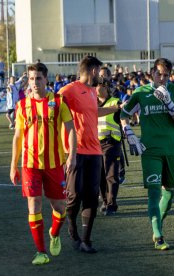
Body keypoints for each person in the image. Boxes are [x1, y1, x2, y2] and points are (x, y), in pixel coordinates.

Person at [10, 63, 77, 265]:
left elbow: (71, 129)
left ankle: (54, 233)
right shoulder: (22, 105)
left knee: (60, 206)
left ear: (46, 79)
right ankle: (41, 252)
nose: (35, 82)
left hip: (55, 163)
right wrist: (13, 165)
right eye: (31, 78)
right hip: (30, 164)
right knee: (34, 203)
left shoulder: (58, 101)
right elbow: (18, 136)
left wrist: (72, 155)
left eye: (38, 78)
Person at [120, 58, 174, 250]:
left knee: (169, 193)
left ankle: (157, 224)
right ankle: (158, 236)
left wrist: (169, 104)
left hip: (172, 149)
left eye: (166, 75)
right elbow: (123, 115)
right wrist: (129, 132)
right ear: (152, 74)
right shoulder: (141, 93)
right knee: (153, 192)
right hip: (150, 150)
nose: (162, 78)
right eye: (159, 74)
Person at [58, 56, 117, 253]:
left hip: (95, 151)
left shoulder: (92, 91)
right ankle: (72, 229)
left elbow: (93, 112)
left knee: (92, 196)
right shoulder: (69, 89)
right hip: (75, 151)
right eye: (99, 72)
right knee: (74, 196)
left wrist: (115, 108)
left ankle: (86, 240)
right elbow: (54, 108)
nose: (100, 76)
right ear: (92, 71)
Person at [96, 77, 122, 216]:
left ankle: (112, 204)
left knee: (111, 175)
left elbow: (123, 118)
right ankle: (105, 202)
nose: (94, 88)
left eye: (97, 85)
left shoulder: (115, 102)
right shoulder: (91, 102)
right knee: (99, 176)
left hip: (111, 142)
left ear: (105, 87)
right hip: (94, 144)